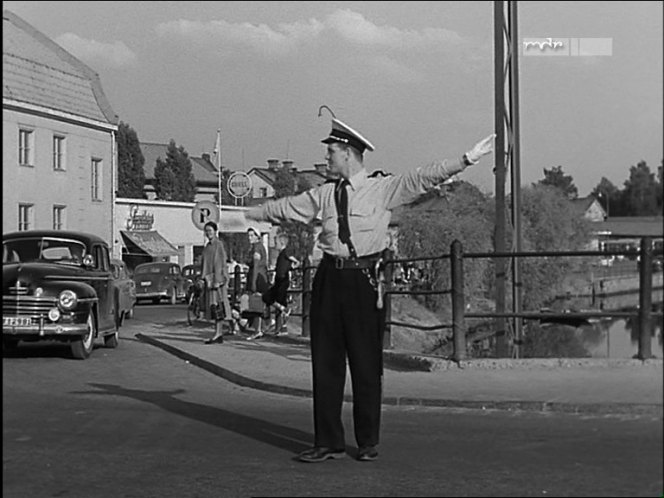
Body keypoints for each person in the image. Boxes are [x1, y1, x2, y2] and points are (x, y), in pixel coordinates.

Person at [246, 115, 495, 463]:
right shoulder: (324, 194)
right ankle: (328, 441)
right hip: (329, 280)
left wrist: (466, 159)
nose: (328, 157)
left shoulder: (383, 189)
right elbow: (287, 208)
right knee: (326, 364)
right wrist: (249, 215)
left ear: (348, 152)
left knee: (365, 364)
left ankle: (367, 442)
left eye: (332, 151)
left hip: (363, 281)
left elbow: (424, 176)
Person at [200, 221, 234, 344]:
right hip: (210, 281)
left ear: (215, 231)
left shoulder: (218, 245)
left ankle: (219, 333)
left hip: (217, 281)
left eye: (210, 230)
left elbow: (220, 263)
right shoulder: (207, 247)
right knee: (214, 307)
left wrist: (219, 280)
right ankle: (220, 331)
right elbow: (205, 264)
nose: (208, 233)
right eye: (206, 231)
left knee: (218, 306)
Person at [262, 233, 300, 335]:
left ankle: (282, 327)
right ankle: (282, 313)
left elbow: (296, 261)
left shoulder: (286, 252)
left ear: (282, 242)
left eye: (276, 242)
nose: (275, 245)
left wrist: (291, 267)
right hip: (279, 280)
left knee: (278, 298)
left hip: (283, 279)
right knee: (268, 297)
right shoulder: (281, 254)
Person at [244, 227, 270, 340]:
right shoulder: (258, 247)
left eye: (252, 235)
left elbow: (255, 266)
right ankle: (266, 324)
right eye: (249, 235)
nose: (249, 238)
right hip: (261, 276)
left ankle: (257, 330)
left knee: (256, 304)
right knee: (259, 303)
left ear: (257, 236)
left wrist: (253, 283)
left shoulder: (257, 248)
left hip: (258, 278)